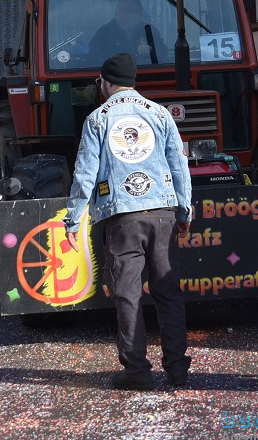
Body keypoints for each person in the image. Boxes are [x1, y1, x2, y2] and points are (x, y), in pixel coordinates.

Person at [63, 52, 192, 390]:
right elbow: (180, 166)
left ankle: (137, 372)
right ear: (134, 82)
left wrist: (74, 219)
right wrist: (184, 211)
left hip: (122, 217)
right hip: (163, 214)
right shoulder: (161, 114)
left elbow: (85, 173)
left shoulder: (96, 119)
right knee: (168, 294)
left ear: (105, 83)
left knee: (128, 295)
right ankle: (178, 371)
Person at [88, 0, 166, 65]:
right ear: (116, 14)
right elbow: (93, 61)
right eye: (122, 10)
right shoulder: (104, 33)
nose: (125, 14)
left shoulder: (149, 31)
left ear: (140, 16)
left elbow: (162, 58)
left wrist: (151, 52)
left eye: (131, 11)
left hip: (146, 77)